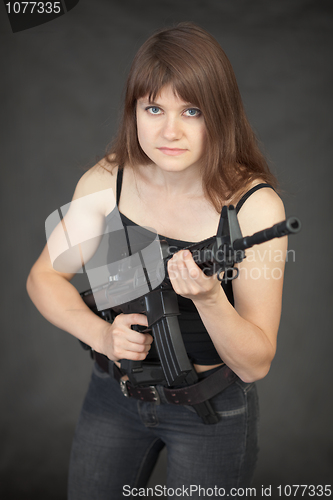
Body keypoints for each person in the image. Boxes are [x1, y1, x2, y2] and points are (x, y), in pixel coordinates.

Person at [27, 22, 287, 499]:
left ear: (220, 115)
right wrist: (102, 336)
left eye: (191, 110)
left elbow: (255, 365)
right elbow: (44, 277)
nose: (170, 130)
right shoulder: (109, 180)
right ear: (134, 112)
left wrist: (210, 298)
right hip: (115, 398)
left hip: (212, 411)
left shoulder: (255, 208)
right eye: (154, 108)